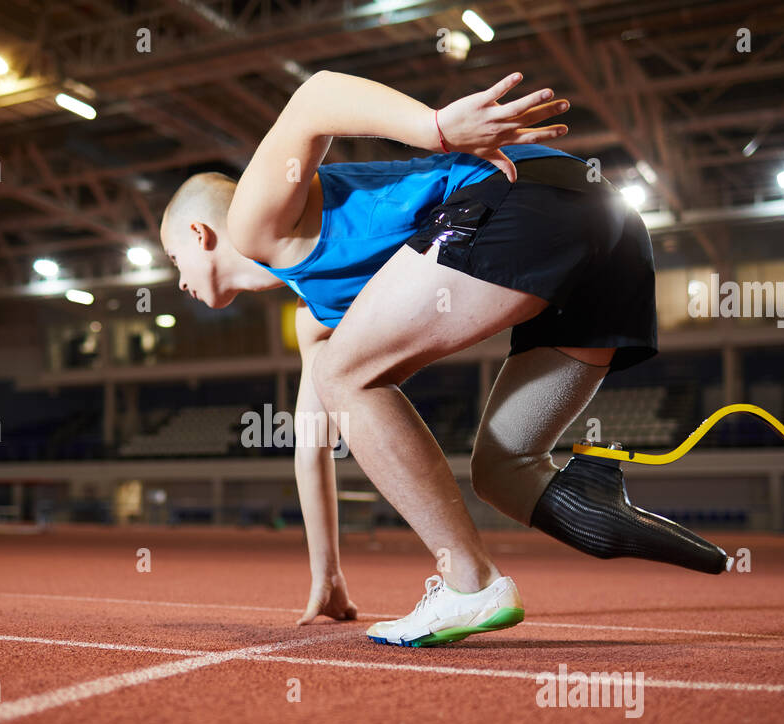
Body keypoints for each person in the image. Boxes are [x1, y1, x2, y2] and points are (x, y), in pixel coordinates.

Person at [160, 71, 725, 647]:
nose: (176, 280)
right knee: (505, 470)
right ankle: (602, 503)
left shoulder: (253, 227)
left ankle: (469, 582)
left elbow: (314, 97)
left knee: (343, 376)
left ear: (200, 233)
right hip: (605, 225)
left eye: (171, 255)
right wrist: (326, 572)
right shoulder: (321, 315)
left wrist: (435, 129)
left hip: (523, 191)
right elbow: (314, 444)